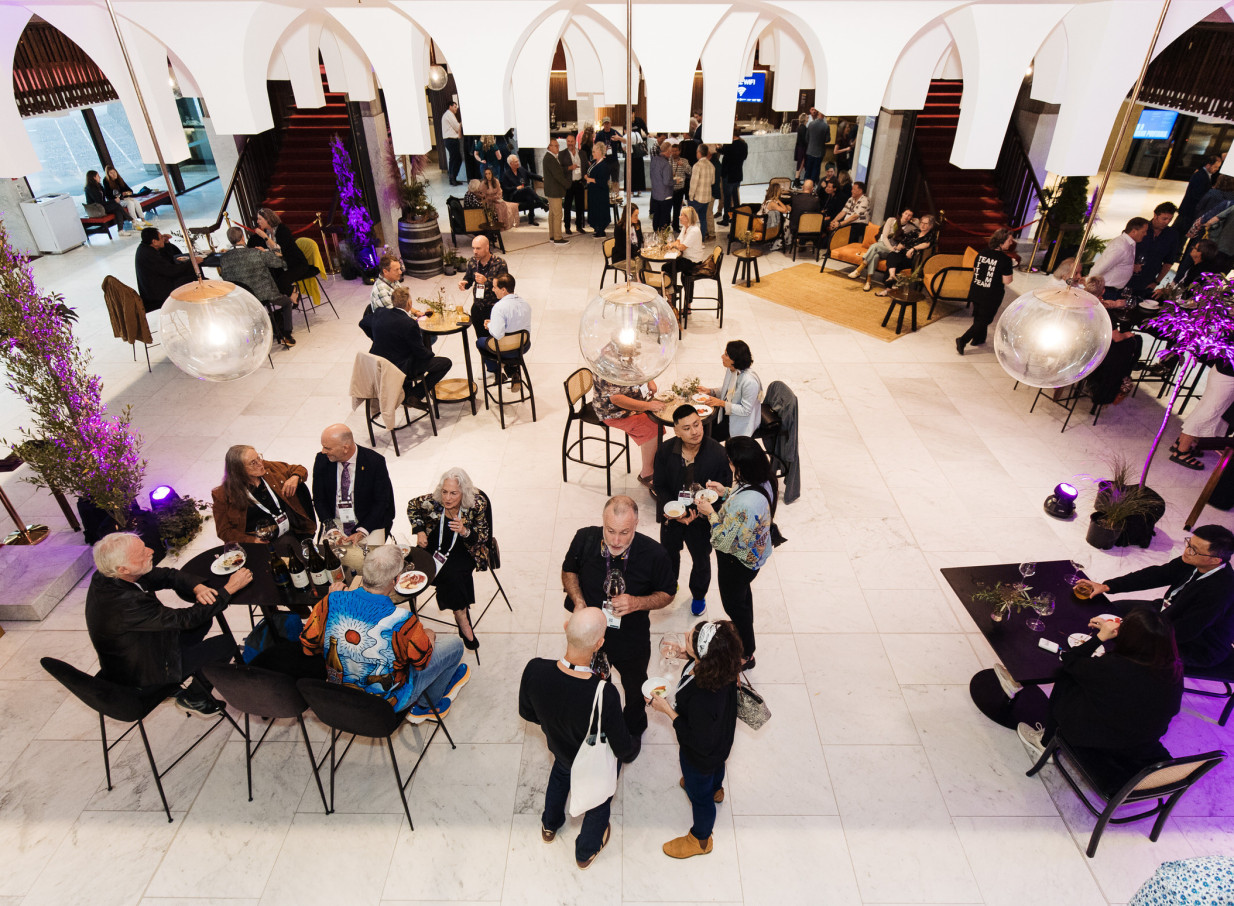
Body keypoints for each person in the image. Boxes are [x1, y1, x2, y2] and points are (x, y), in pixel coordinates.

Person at [518, 607, 639, 869]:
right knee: (600, 801)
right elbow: (622, 748)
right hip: (590, 762)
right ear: (599, 644)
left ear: (566, 627)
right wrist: (632, 746)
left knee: (560, 776)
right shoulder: (605, 693)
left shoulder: (534, 669)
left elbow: (527, 713)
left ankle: (549, 825)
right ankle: (586, 850)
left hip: (559, 750)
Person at [1015, 606, 1183, 792]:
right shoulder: (1174, 670)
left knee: (1067, 678)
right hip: (1140, 744)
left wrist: (1100, 637)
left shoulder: (1114, 668)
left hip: (1102, 745)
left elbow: (1070, 660)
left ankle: (1045, 742)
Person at [85, 532, 252, 716]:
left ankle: (193, 669)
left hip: (140, 649)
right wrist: (228, 589)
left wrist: (197, 586)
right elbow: (184, 620)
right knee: (225, 644)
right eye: (142, 553)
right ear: (123, 568)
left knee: (204, 619)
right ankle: (195, 698)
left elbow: (167, 575)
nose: (151, 551)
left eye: (144, 546)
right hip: (143, 673)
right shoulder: (126, 603)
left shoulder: (110, 574)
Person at [300, 544, 469, 719]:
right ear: (395, 580)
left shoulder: (331, 601)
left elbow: (308, 647)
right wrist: (429, 634)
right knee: (455, 645)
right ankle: (426, 707)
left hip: (341, 693)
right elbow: (421, 662)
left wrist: (332, 599)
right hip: (386, 703)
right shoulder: (403, 621)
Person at [561, 495, 676, 738]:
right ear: (603, 522)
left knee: (634, 687)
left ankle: (633, 730)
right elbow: (569, 570)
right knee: (589, 684)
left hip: (631, 637)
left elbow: (668, 593)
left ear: (636, 524)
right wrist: (579, 601)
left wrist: (637, 602)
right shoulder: (584, 538)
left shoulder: (654, 554)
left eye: (624, 532)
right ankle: (597, 723)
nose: (615, 540)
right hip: (591, 634)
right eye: (610, 530)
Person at [1073, 525, 1234, 669]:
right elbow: (1157, 575)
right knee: (1115, 608)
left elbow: (1185, 631)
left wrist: (1130, 631)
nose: (1187, 551)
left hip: (1195, 645)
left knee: (1126, 648)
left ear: (1215, 560)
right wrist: (1108, 586)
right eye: (1188, 543)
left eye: (1194, 549)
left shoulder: (1219, 592)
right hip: (1167, 611)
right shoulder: (1193, 560)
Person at [647, 620, 742, 859]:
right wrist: (685, 654)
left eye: (690, 638)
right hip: (721, 741)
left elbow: (695, 738)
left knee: (700, 797)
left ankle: (701, 839)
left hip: (700, 755)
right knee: (717, 766)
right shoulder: (724, 665)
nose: (685, 633)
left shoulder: (703, 697)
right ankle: (716, 789)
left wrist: (667, 710)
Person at [695, 437, 775, 667]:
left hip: (736, 563)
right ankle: (743, 632)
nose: (727, 463)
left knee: (734, 606)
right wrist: (725, 492)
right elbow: (744, 497)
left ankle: (746, 654)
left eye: (730, 461)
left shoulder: (745, 505)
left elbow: (722, 541)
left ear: (740, 465)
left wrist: (710, 513)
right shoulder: (764, 479)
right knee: (742, 598)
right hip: (753, 557)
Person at [654, 405, 733, 616]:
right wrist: (674, 510)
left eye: (697, 424)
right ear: (676, 431)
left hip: (702, 519)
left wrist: (705, 511)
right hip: (674, 515)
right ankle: (670, 584)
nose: (695, 431)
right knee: (668, 554)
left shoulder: (718, 453)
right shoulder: (665, 451)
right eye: (687, 428)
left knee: (701, 560)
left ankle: (698, 595)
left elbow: (724, 490)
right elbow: (660, 485)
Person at [407, 468, 491, 652]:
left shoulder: (476, 505)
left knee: (454, 575)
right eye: (445, 491)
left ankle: (461, 615)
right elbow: (412, 506)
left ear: (464, 493)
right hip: (435, 546)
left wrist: (464, 531)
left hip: (465, 548)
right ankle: (460, 610)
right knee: (416, 568)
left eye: (454, 493)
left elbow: (483, 538)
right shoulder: (434, 501)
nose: (447, 498)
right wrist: (420, 531)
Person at [210, 445, 315, 552]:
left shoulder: (267, 468)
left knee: (295, 550)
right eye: (253, 463)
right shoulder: (222, 495)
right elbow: (224, 531)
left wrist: (295, 477)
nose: (260, 464)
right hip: (257, 543)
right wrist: (252, 540)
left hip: (288, 531)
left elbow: (299, 469)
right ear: (239, 469)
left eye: (258, 457)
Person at [312, 424, 395, 545]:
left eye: (328, 448)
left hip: (368, 522)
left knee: (373, 557)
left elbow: (382, 502)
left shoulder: (374, 462)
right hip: (335, 522)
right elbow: (319, 499)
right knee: (327, 556)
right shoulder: (322, 459)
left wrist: (363, 531)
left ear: (345, 448)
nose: (323, 451)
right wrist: (331, 528)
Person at [369, 286, 453, 401]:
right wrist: (430, 354)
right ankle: (413, 395)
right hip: (400, 367)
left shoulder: (380, 312)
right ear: (409, 303)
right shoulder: (409, 323)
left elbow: (363, 323)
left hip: (379, 364)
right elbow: (421, 353)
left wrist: (377, 338)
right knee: (445, 363)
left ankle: (407, 392)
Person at [218, 226, 297, 347]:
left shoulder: (224, 259)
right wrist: (265, 252)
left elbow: (225, 277)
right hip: (265, 293)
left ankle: (260, 331)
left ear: (230, 240)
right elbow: (279, 263)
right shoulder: (256, 253)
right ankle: (287, 335)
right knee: (287, 302)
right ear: (243, 237)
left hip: (243, 298)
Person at [590, 373, 664, 488]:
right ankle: (647, 473)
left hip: (633, 402)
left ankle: (655, 465)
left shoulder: (622, 361)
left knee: (658, 420)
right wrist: (648, 406)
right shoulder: (606, 369)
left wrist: (650, 381)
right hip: (614, 412)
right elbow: (617, 399)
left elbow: (637, 369)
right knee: (653, 428)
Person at [956, 228, 1017, 353]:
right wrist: (1010, 266)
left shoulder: (982, 253)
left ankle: (978, 339)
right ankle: (963, 340)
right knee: (985, 319)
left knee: (979, 316)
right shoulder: (1005, 260)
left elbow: (975, 270)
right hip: (991, 295)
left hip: (976, 290)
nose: (1011, 243)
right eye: (1009, 240)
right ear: (1001, 241)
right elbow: (1007, 281)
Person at [697, 339, 762, 440]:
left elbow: (745, 410)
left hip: (739, 422)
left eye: (726, 355)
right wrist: (711, 391)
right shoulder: (732, 369)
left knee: (704, 437)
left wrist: (721, 403)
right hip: (726, 412)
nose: (722, 356)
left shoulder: (750, 382)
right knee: (699, 425)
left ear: (734, 360)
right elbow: (729, 390)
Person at [246, 207, 314, 298]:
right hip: (281, 265)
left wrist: (265, 237)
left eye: (259, 219)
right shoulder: (267, 232)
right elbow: (273, 251)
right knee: (269, 281)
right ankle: (293, 295)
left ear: (267, 219)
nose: (257, 222)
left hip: (296, 264)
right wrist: (264, 250)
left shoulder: (282, 230)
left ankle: (295, 292)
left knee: (281, 283)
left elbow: (280, 252)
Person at [478, 272, 532, 386]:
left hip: (506, 349)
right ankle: (511, 371)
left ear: (503, 290)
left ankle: (496, 372)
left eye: (494, 287)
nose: (492, 290)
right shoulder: (525, 304)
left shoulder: (499, 307)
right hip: (523, 346)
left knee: (481, 342)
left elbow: (497, 334)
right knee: (505, 341)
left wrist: (489, 325)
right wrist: (493, 323)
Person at [843, 207, 915, 290]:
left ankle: (859, 269)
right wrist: (890, 248)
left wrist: (893, 249)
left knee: (874, 246)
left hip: (892, 251)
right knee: (875, 255)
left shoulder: (910, 228)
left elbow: (914, 237)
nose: (907, 216)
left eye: (910, 215)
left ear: (911, 218)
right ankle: (868, 281)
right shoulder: (891, 220)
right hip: (883, 244)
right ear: (902, 214)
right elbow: (884, 237)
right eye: (906, 214)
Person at [1083, 315, 1142, 406]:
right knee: (1135, 341)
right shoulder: (1107, 315)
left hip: (1089, 347)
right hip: (1098, 349)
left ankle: (1128, 370)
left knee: (1127, 343)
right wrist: (1125, 335)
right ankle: (1129, 369)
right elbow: (1117, 338)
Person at [874, 211, 936, 297]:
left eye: (926, 223)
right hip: (903, 253)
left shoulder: (931, 235)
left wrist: (913, 249)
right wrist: (899, 246)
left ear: (931, 225)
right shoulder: (915, 231)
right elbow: (904, 241)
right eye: (922, 222)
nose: (922, 225)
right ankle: (891, 277)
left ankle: (888, 287)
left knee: (894, 264)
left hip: (914, 258)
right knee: (892, 255)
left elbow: (926, 244)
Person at [134, 227, 196, 312]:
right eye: (161, 238)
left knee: (189, 274)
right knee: (191, 279)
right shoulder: (148, 254)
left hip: (158, 284)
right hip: (156, 293)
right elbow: (171, 271)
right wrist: (192, 263)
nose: (163, 238)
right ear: (154, 241)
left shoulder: (146, 248)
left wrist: (166, 243)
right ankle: (194, 308)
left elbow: (168, 258)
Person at [457, 235, 508, 337]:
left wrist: (487, 281)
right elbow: (469, 278)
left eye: (478, 248)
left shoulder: (499, 263)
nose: (475, 251)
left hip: (494, 308)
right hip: (477, 308)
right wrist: (465, 282)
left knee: (495, 340)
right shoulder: (472, 262)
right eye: (473, 248)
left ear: (487, 248)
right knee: (481, 340)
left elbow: (504, 287)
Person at [1127, 202, 1182, 297]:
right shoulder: (1140, 227)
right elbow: (1124, 248)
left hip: (1148, 282)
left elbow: (1168, 262)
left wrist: (1156, 282)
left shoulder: (1172, 235)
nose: (1167, 222)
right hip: (1128, 276)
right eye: (1164, 219)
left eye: (1170, 219)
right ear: (1155, 215)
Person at [1089, 217, 1150, 299]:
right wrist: (1088, 283)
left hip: (1114, 290)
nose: (1145, 234)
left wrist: (1132, 267)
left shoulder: (1129, 243)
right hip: (1106, 290)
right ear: (1134, 231)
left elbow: (1120, 262)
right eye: (1143, 231)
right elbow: (1101, 266)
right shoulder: (1120, 246)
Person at [664, 206, 709, 303]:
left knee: (667, 268)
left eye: (682, 215)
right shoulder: (685, 227)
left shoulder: (694, 231)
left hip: (693, 261)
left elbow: (682, 247)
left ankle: (671, 294)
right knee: (669, 267)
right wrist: (675, 244)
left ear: (688, 218)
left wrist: (672, 245)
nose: (679, 217)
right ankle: (672, 293)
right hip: (686, 258)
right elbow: (678, 241)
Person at [1175, 154, 1223, 233]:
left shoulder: (1206, 175)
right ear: (1208, 165)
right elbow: (1196, 195)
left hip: (1191, 212)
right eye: (1215, 167)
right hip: (1188, 211)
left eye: (1218, 167)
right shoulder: (1200, 176)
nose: (1217, 169)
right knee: (1179, 233)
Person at [501, 155, 548, 225]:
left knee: (530, 197)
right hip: (514, 195)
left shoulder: (521, 170)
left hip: (524, 193)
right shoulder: (506, 174)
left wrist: (542, 178)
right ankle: (541, 204)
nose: (518, 163)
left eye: (518, 161)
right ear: (511, 164)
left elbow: (531, 175)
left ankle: (531, 219)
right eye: (516, 162)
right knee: (528, 188)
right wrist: (516, 188)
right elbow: (505, 189)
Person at [85, 169, 134, 235]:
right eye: (98, 176)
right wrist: (113, 201)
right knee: (117, 205)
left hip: (101, 207)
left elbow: (103, 200)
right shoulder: (90, 188)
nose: (100, 177)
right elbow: (99, 202)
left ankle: (121, 230)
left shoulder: (99, 186)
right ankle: (132, 220)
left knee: (117, 209)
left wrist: (114, 200)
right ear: (94, 177)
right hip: (96, 209)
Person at [542, 139, 569, 243]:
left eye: (558, 146)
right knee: (557, 214)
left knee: (553, 214)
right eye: (555, 146)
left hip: (552, 190)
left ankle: (552, 236)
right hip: (554, 190)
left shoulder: (550, 157)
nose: (558, 148)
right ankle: (558, 237)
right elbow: (558, 175)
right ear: (549, 147)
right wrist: (567, 184)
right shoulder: (550, 158)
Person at [585, 143, 613, 238]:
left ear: (600, 152)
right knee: (594, 210)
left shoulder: (604, 165)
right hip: (594, 192)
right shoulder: (595, 162)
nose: (592, 153)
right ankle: (597, 229)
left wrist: (590, 179)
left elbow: (603, 181)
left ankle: (601, 230)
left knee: (600, 211)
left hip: (600, 193)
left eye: (594, 151)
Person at [559, 133, 586, 235]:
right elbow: (559, 169)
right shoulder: (562, 154)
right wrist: (569, 168)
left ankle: (579, 226)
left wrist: (585, 180)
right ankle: (567, 227)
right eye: (568, 141)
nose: (570, 143)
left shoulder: (582, 153)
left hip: (579, 183)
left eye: (572, 141)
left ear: (575, 142)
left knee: (580, 206)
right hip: (569, 184)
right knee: (567, 206)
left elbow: (586, 167)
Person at [687, 144, 715, 231]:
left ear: (699, 153)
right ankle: (702, 237)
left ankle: (692, 237)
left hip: (697, 198)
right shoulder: (711, 165)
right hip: (707, 197)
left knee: (691, 221)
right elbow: (713, 181)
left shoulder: (697, 166)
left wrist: (690, 197)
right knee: (703, 219)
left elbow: (693, 184)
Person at [650, 141, 674, 232]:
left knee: (656, 215)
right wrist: (675, 181)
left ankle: (656, 232)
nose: (671, 154)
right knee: (665, 217)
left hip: (655, 193)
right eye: (670, 152)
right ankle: (663, 235)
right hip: (665, 195)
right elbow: (666, 182)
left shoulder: (653, 160)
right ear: (667, 151)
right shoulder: (666, 164)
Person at [804, 110, 830, 184]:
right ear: (824, 115)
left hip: (810, 150)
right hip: (819, 152)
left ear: (818, 114)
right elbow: (827, 139)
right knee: (816, 169)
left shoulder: (811, 124)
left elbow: (806, 138)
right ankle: (813, 185)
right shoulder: (826, 126)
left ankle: (806, 184)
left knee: (808, 169)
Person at [441, 101, 464, 186]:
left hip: (449, 140)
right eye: (455, 107)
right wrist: (461, 123)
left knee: (453, 159)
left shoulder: (447, 114)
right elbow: (457, 127)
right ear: (450, 107)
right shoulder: (449, 114)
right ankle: (453, 178)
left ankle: (452, 178)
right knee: (457, 159)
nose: (456, 108)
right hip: (451, 140)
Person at [669, 142, 692, 224]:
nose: (674, 153)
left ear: (679, 151)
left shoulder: (684, 161)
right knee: (667, 209)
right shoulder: (668, 160)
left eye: (676, 151)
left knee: (677, 209)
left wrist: (683, 165)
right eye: (673, 151)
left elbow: (690, 172)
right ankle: (666, 225)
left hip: (679, 188)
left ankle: (675, 225)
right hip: (668, 189)